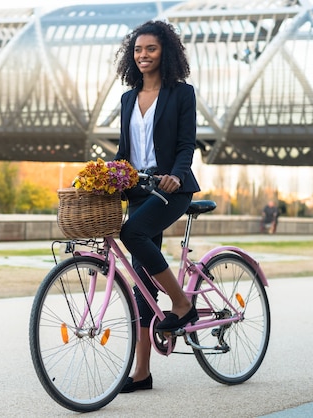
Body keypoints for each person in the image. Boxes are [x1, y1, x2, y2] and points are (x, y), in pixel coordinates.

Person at [114, 20, 201, 393]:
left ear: (165, 51)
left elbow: (186, 145)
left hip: (172, 188)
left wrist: (177, 176)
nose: (143, 55)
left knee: (132, 232)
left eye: (150, 49)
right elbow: (125, 153)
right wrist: (104, 177)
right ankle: (142, 373)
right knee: (140, 283)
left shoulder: (181, 94)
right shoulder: (128, 99)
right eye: (137, 50)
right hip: (140, 190)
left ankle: (182, 304)